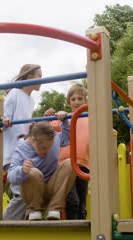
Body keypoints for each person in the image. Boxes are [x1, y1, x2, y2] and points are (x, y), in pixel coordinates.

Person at [7, 118, 77, 221]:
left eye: (50, 147)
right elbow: (11, 176)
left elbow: (67, 138)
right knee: (32, 172)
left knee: (70, 163)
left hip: (52, 189)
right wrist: (22, 170)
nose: (47, 151)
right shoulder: (21, 149)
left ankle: (54, 208)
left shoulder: (54, 139)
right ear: (33, 140)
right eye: (44, 148)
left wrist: (65, 121)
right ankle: (34, 210)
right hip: (34, 193)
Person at [2, 64, 42, 220]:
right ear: (30, 76)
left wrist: (32, 126)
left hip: (25, 151)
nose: (42, 80)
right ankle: (2, 228)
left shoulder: (31, 101)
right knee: (21, 194)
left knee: (28, 194)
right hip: (12, 152)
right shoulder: (15, 93)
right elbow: (4, 117)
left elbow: (23, 123)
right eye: (39, 76)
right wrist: (4, 119)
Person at [47, 82, 90, 219]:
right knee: (72, 201)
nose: (76, 102)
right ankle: (72, 229)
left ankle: (83, 232)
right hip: (66, 164)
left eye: (80, 99)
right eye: (73, 99)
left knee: (82, 204)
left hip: (84, 164)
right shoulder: (64, 118)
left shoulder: (91, 117)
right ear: (68, 102)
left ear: (85, 100)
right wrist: (49, 115)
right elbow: (48, 127)